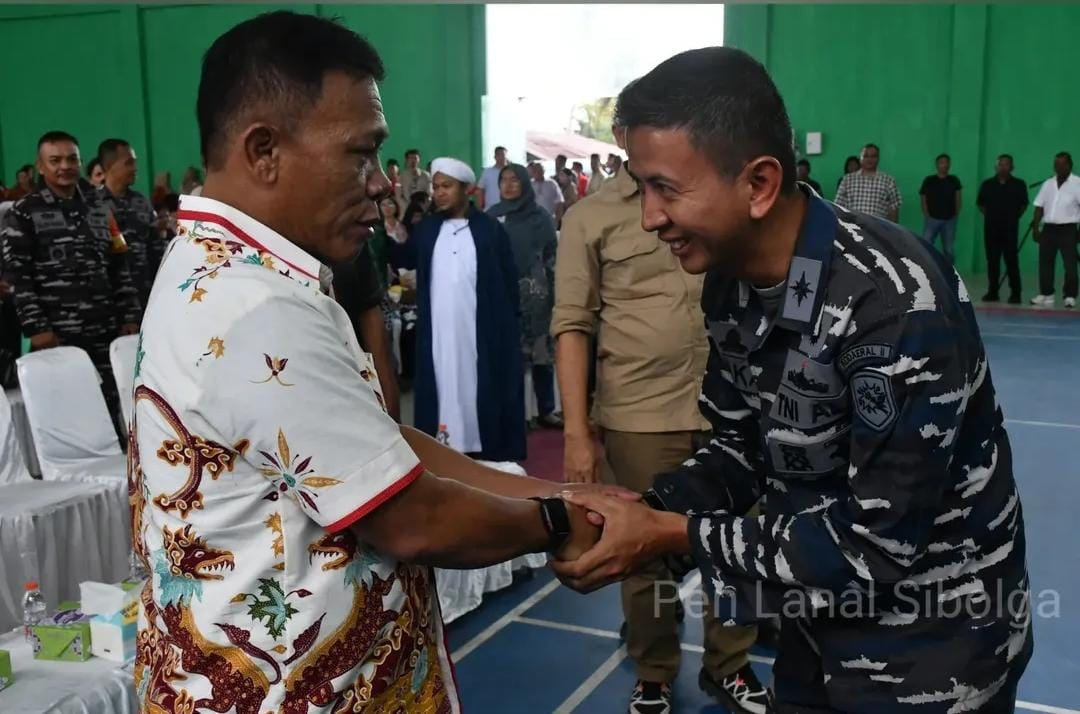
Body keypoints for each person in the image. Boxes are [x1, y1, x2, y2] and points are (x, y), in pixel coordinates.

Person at [132, 13, 606, 713]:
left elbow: (381, 448)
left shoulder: (241, 272)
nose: (385, 184)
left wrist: (546, 494)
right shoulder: (255, 309)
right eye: (363, 153)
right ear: (263, 150)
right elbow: (413, 520)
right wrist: (565, 523)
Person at [552, 47, 1032, 713]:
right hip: (815, 629)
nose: (649, 218)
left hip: (930, 655)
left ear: (758, 184)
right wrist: (641, 507)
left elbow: (875, 546)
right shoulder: (729, 281)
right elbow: (742, 448)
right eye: (642, 189)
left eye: (667, 188)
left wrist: (671, 534)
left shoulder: (892, 305)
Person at [553, 132, 764, 714]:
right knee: (642, 551)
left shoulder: (707, 198)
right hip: (639, 413)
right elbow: (572, 323)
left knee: (737, 545)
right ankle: (655, 669)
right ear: (621, 138)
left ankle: (730, 665)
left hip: (735, 411)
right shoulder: (589, 217)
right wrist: (576, 432)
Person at [0, 131, 140, 432]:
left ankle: (119, 475)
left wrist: (129, 314)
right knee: (71, 415)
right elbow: (18, 277)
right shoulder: (25, 211)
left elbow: (119, 263)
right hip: (58, 333)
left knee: (113, 408)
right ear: (40, 166)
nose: (65, 166)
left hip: (106, 331)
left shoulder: (101, 205)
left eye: (71, 159)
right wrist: (37, 328)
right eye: (55, 160)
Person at [410, 157, 526, 460]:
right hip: (438, 333)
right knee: (442, 385)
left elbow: (507, 283)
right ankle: (442, 448)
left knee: (479, 386)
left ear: (468, 190)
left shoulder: (489, 230)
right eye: (436, 187)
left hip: (479, 332)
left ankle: (483, 451)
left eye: (447, 186)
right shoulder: (427, 230)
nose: (439, 193)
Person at [488, 163, 562, 429]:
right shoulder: (492, 217)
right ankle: (517, 413)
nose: (507, 185)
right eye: (503, 180)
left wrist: (555, 295)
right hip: (504, 296)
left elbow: (552, 258)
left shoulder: (540, 217)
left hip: (537, 296)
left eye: (514, 180)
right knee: (512, 359)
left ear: (524, 183)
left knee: (542, 357)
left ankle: (546, 410)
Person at [98, 138, 163, 310]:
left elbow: (156, 251)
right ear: (110, 166)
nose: (135, 168)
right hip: (112, 301)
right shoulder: (93, 205)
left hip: (146, 297)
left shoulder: (141, 203)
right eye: (129, 163)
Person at [1030, 152, 1080, 308]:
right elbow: (1039, 206)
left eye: (1062, 164)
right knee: (1045, 263)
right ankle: (1047, 294)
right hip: (1048, 229)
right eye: (1056, 164)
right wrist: (1036, 228)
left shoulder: (1077, 183)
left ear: (1069, 166)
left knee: (1070, 265)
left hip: (1068, 229)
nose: (1058, 167)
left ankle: (1070, 296)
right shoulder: (1048, 184)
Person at [977, 154, 1028, 303]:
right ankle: (993, 292)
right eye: (1001, 164)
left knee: (1011, 261)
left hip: (1010, 229)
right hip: (991, 229)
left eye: (1007, 164)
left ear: (1012, 167)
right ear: (996, 166)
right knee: (992, 261)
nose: (1003, 167)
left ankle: (1016, 293)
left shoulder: (1019, 184)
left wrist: (1012, 218)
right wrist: (991, 217)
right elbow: (981, 204)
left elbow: (1024, 205)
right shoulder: (987, 184)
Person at [835, 143, 901, 221]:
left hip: (879, 229)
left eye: (873, 156)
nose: (870, 159)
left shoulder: (888, 181)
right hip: (853, 229)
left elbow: (893, 209)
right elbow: (838, 207)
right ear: (860, 158)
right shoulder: (847, 180)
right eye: (866, 156)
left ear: (878, 158)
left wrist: (891, 231)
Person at [919, 153, 962, 264]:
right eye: (941, 162)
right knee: (926, 245)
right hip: (932, 219)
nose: (944, 165)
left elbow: (958, 197)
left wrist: (956, 213)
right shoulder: (929, 180)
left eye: (946, 162)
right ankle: (927, 269)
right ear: (937, 164)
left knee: (949, 249)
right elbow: (923, 197)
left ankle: (950, 272)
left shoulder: (954, 180)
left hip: (950, 219)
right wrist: (926, 213)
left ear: (949, 165)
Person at [477, 145, 509, 210]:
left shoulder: (511, 172)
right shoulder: (487, 172)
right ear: (495, 157)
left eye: (503, 155)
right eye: (499, 155)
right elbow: (480, 190)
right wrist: (480, 208)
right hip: (490, 209)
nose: (502, 157)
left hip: (508, 209)